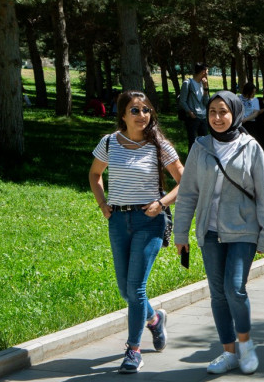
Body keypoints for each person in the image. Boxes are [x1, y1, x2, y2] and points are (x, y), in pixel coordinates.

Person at [173, 91, 264, 375]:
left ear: (235, 113)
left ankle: (246, 345)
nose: (217, 118)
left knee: (235, 288)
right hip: (210, 231)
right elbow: (188, 193)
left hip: (243, 230)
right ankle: (229, 352)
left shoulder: (251, 147)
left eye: (223, 111)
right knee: (218, 294)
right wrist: (180, 232)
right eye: (212, 112)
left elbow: (262, 193)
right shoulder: (200, 147)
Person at [88, 91, 184, 374]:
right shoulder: (108, 142)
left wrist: (161, 203)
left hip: (149, 221)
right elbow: (94, 174)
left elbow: (185, 179)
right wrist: (103, 204)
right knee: (125, 289)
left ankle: (133, 350)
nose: (142, 115)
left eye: (146, 110)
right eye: (135, 110)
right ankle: (154, 320)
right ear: (122, 115)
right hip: (118, 220)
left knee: (137, 288)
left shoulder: (159, 145)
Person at [179, 63, 210, 148]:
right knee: (192, 143)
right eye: (207, 71)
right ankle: (191, 161)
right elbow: (182, 101)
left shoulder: (204, 84)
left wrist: (205, 88)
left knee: (204, 143)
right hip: (192, 118)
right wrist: (190, 112)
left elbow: (206, 102)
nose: (208, 73)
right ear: (203, 72)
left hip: (203, 117)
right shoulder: (188, 83)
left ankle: (203, 160)